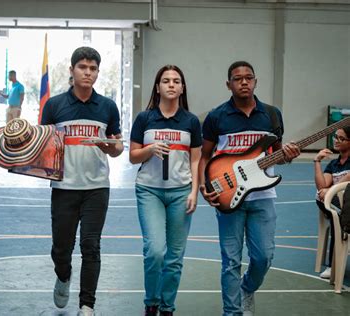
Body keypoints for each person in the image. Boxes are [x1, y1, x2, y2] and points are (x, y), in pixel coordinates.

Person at [198, 61, 300, 316]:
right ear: (228, 84)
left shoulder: (272, 114)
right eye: (237, 78)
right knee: (230, 261)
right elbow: (204, 156)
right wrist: (203, 185)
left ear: (255, 81)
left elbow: (278, 154)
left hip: (263, 197)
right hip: (227, 196)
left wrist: (288, 154)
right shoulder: (216, 116)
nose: (244, 82)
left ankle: (248, 287)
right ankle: (231, 312)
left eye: (249, 78)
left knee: (264, 256)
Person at [41, 46, 123, 316]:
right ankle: (63, 276)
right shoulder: (54, 106)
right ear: (72, 70)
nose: (88, 73)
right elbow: (43, 146)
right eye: (83, 67)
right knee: (61, 248)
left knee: (91, 246)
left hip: (97, 187)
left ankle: (87, 305)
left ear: (97, 72)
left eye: (93, 68)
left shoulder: (108, 107)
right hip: (64, 187)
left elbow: (118, 146)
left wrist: (109, 146)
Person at [129, 65, 202, 316]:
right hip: (149, 191)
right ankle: (151, 302)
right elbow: (132, 157)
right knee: (155, 251)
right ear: (157, 87)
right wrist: (150, 150)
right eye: (166, 80)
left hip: (181, 192)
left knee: (174, 258)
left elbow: (196, 160)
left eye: (176, 81)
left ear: (182, 88)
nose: (171, 84)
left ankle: (167, 307)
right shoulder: (144, 119)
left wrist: (194, 191)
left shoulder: (191, 121)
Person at [314, 127, 350, 279]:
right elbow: (322, 186)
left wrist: (328, 191)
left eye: (342, 138)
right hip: (335, 204)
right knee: (335, 214)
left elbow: (338, 186)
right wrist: (317, 161)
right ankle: (332, 265)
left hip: (347, 203)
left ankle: (332, 265)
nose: (336, 140)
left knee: (338, 216)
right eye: (336, 137)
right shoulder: (334, 164)